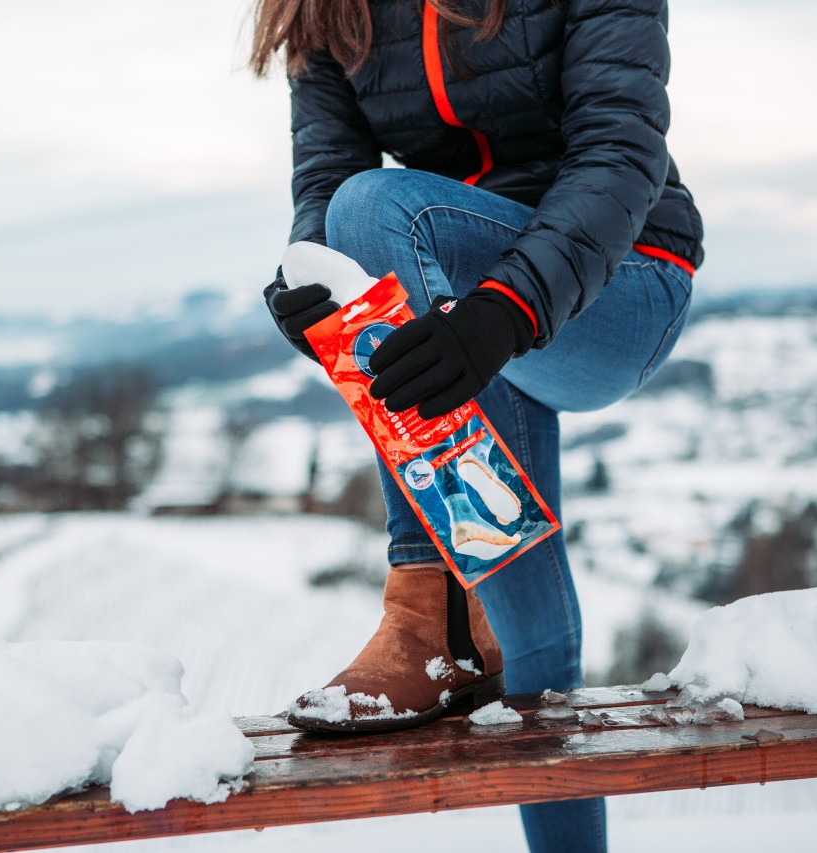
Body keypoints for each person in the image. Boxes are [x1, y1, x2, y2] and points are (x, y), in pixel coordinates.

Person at [254, 1, 703, 849]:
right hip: (460, 294)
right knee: (352, 219)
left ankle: (435, 608)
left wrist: (504, 312)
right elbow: (324, 179)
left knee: (375, 211)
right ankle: (456, 632)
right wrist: (311, 284)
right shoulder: (322, 6)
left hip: (625, 276)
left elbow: (620, 148)